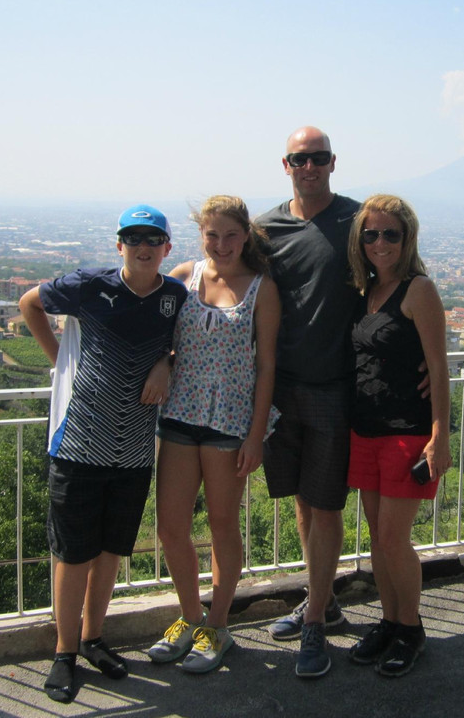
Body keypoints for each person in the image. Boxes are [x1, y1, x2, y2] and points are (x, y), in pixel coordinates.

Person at [18, 204, 186, 704]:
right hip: (78, 445)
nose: (143, 246)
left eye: (152, 239)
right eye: (133, 238)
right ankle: (64, 653)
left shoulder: (174, 297)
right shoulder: (90, 286)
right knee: (73, 555)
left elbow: (186, 345)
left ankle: (93, 639)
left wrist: (165, 362)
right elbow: (30, 303)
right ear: (119, 246)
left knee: (111, 552)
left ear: (166, 249)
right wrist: (60, 364)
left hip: (133, 450)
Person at [144, 196, 280, 673]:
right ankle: (189, 616)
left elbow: (266, 367)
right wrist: (163, 362)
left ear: (245, 236)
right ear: (200, 236)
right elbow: (162, 341)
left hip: (228, 424)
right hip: (180, 416)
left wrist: (256, 434)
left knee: (221, 526)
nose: (221, 245)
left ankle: (218, 626)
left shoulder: (261, 289)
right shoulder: (184, 277)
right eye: (212, 235)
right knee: (170, 527)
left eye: (230, 235)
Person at [254, 126, 360, 678]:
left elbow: (402, 282)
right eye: (301, 158)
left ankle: (316, 621)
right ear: (286, 164)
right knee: (302, 499)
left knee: (327, 505)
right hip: (279, 389)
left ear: (333, 162)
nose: (310, 166)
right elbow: (222, 276)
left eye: (318, 158)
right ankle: (325, 600)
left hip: (334, 388)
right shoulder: (266, 229)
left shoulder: (360, 222)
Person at [344, 194, 451, 677]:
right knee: (377, 538)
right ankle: (389, 622)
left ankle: (411, 628)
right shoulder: (365, 290)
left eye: (391, 233)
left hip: (407, 432)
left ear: (407, 239)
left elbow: (440, 369)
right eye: (371, 234)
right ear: (360, 241)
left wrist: (439, 435)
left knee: (393, 537)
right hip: (365, 430)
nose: (381, 242)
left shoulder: (418, 290)